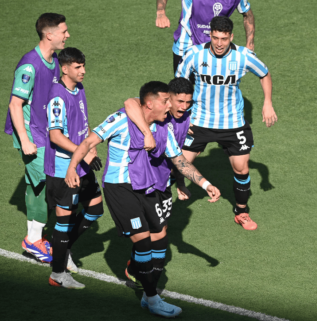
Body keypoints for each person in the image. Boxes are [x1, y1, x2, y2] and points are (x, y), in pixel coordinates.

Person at [65, 81, 220, 317]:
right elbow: (88, 142)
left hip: (145, 187)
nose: (170, 106)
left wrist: (206, 184)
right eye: (165, 101)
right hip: (119, 189)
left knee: (159, 239)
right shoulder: (120, 120)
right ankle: (152, 298)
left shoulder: (162, 129)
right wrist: (72, 168)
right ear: (149, 104)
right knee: (143, 242)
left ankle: (148, 291)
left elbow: (180, 161)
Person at [175, 16, 277, 230]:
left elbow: (265, 74)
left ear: (232, 36)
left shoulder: (243, 56)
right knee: (179, 163)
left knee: (241, 168)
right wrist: (180, 118)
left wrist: (267, 103)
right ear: (209, 35)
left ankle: (241, 212)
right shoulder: (195, 54)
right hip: (199, 120)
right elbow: (178, 86)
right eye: (215, 38)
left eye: (224, 38)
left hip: (233, 123)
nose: (219, 43)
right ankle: (180, 187)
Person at [4, 13, 69, 263]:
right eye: (63, 31)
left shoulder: (53, 60)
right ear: (49, 34)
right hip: (32, 135)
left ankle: (34, 238)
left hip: (45, 133)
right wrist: (25, 140)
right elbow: (14, 104)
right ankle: (34, 239)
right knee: (51, 181)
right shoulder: (30, 65)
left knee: (38, 185)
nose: (67, 35)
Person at [44, 47, 103, 288]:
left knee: (95, 208)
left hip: (81, 163)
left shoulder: (78, 89)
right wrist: (82, 151)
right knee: (62, 221)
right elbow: (56, 137)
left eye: (83, 66)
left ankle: (62, 248)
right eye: (78, 67)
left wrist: (91, 145)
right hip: (63, 169)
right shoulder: (57, 97)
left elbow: (84, 123)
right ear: (65, 68)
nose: (83, 71)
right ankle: (58, 274)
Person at [124, 77, 194, 201]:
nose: (184, 107)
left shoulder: (185, 119)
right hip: (142, 180)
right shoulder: (154, 109)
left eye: (188, 102)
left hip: (163, 180)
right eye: (180, 101)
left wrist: (181, 183)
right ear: (168, 99)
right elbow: (129, 102)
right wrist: (148, 134)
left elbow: (177, 156)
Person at [155, 0, 255, 73]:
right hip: (185, 44)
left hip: (216, 46)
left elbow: (248, 14)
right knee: (181, 91)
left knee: (214, 89)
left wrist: (249, 44)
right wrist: (161, 12)